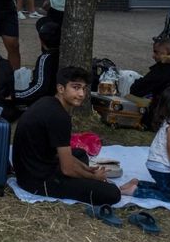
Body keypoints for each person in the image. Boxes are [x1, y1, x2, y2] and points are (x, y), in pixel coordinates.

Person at [12, 66, 122, 206]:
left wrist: (86, 169)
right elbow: (67, 169)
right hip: (36, 181)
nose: (82, 94)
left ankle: (85, 175)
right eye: (76, 88)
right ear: (61, 88)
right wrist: (94, 177)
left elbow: (59, 154)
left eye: (84, 88)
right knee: (112, 193)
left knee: (80, 154)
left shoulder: (48, 102)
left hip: (30, 169)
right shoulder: (59, 117)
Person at [119, 86, 170, 202]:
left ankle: (137, 183)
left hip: (158, 164)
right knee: (169, 195)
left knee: (166, 188)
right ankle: (134, 191)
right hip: (160, 166)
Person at [8, 18, 62, 117]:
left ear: (41, 41)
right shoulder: (61, 54)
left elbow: (40, 87)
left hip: (45, 103)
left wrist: (15, 95)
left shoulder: (45, 59)